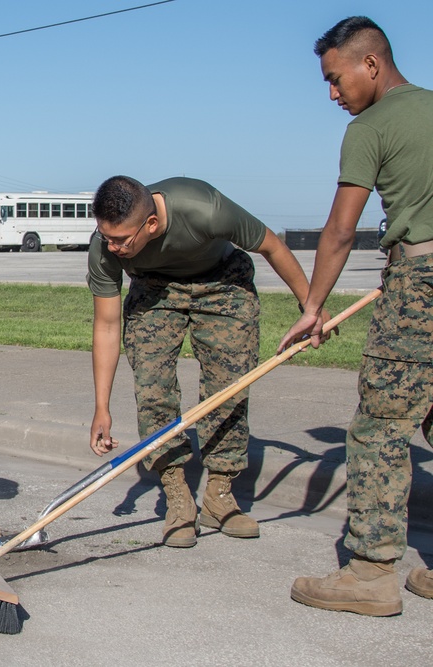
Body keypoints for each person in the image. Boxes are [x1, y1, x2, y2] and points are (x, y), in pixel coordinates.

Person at [279, 16, 433, 616]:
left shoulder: (371, 126)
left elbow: (341, 230)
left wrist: (313, 307)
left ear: (371, 64)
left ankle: (369, 574)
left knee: (381, 426)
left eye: (335, 78)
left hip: (419, 282)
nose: (333, 94)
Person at [89, 175, 316, 548]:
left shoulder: (204, 208)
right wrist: (102, 407)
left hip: (223, 282)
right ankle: (177, 495)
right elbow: (108, 325)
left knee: (228, 389)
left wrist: (311, 309)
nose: (111, 247)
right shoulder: (104, 246)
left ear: (151, 224)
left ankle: (219, 494)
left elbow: (272, 246)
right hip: (154, 288)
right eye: (105, 236)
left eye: (121, 240)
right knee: (153, 388)